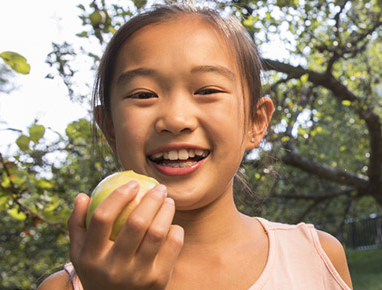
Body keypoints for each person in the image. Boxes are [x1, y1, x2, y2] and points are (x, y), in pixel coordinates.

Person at [38, 4, 353, 289]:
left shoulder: (316, 257)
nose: (175, 119)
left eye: (207, 90)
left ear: (255, 123)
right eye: (143, 95)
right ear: (110, 128)